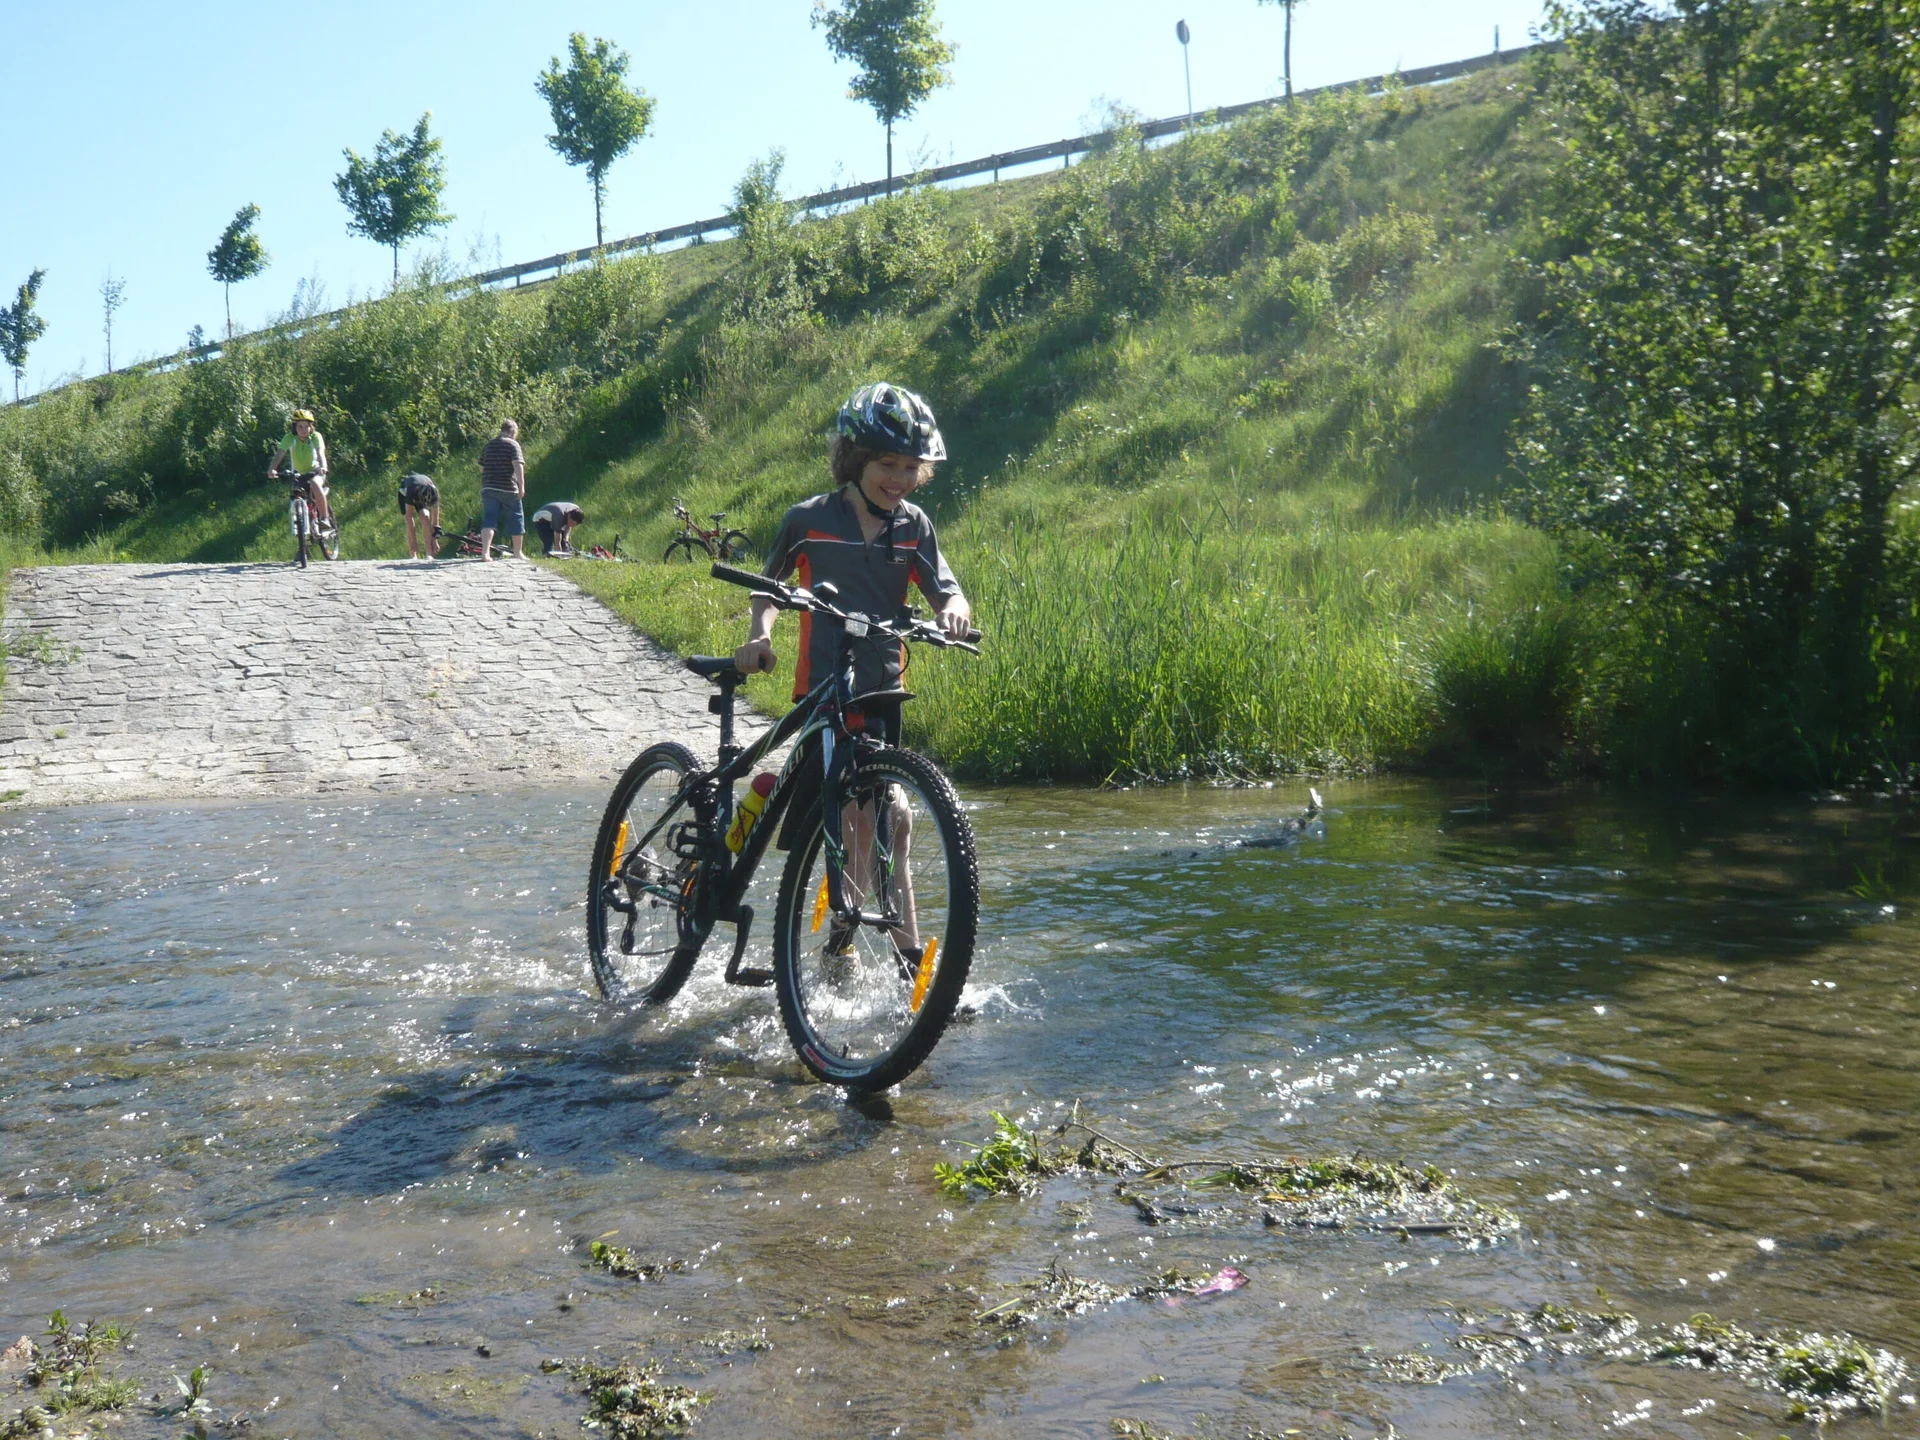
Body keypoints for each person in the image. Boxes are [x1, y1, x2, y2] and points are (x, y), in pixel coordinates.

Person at [733, 382, 972, 964]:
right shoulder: (809, 519)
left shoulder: (913, 526)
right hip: (823, 693)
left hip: (882, 693)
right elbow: (770, 588)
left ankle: (857, 947)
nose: (899, 477)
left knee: (891, 822)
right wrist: (759, 635)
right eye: (887, 463)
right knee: (864, 819)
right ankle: (868, 950)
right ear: (856, 460)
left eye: (911, 467)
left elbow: (946, 589)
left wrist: (954, 612)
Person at [267, 409, 331, 527]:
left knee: (315, 484)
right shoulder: (289, 438)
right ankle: (305, 526)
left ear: (310, 426)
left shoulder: (315, 437)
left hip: (316, 471)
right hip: (298, 475)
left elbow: (320, 453)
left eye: (306, 426)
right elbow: (279, 454)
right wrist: (272, 469)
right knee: (296, 495)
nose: (303, 430)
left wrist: (323, 467)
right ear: (294, 427)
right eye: (300, 426)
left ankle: (324, 518)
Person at [477, 419, 525, 561]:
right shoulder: (513, 444)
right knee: (516, 517)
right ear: (513, 432)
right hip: (508, 487)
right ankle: (517, 553)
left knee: (489, 518)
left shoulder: (488, 445)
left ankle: (485, 553)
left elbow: (481, 467)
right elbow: (518, 465)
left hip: (488, 486)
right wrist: (521, 486)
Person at [398, 472, 440, 560]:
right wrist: (414, 541)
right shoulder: (411, 491)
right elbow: (409, 517)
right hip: (406, 492)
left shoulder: (434, 493)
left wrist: (435, 541)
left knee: (425, 517)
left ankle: (429, 553)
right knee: (409, 523)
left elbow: (435, 522)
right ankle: (413, 554)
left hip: (423, 493)